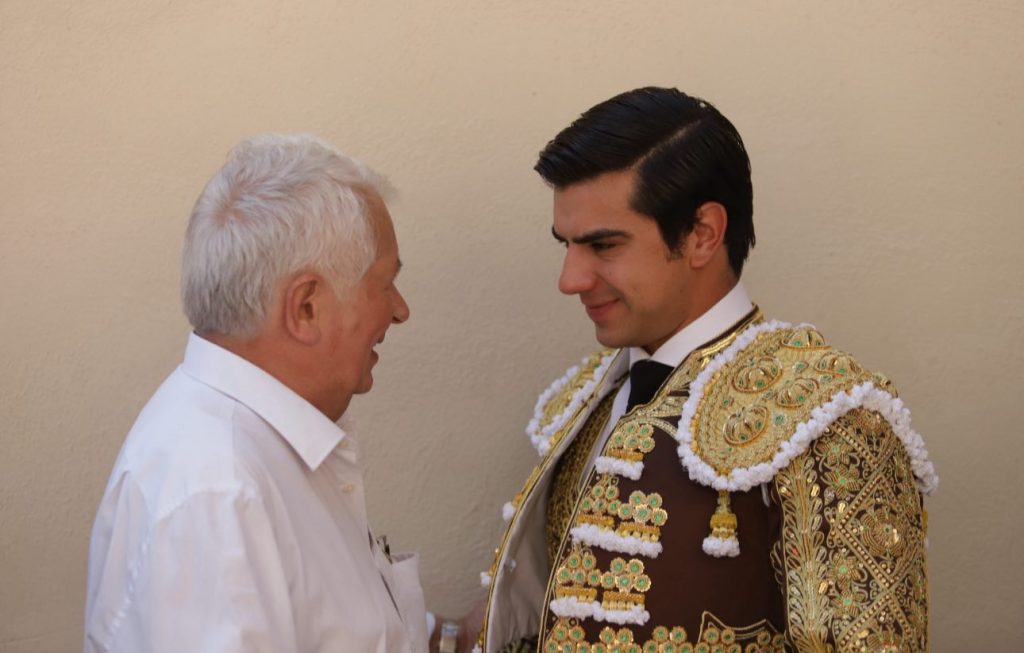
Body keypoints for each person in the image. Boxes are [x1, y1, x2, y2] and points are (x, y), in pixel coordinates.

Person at [475, 88, 937, 653]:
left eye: (603, 245)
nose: (570, 279)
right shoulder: (587, 398)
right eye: (567, 245)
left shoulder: (830, 417)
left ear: (702, 234)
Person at [84, 134, 464, 652]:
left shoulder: (262, 443)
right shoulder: (219, 492)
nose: (399, 310)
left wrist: (462, 636)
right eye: (384, 285)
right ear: (306, 307)